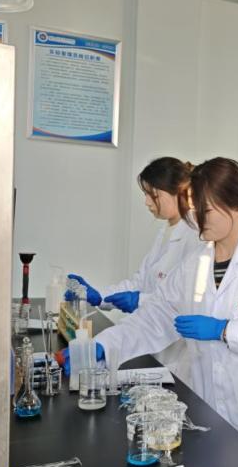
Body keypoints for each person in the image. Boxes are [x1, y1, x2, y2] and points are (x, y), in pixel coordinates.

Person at [71, 158, 238, 467]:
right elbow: (157, 314)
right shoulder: (196, 262)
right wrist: (104, 345)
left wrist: (224, 330)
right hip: (213, 409)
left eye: (206, 209)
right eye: (196, 208)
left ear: (236, 205)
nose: (198, 218)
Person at [64, 157, 202, 378]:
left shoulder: (196, 237)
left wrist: (140, 300)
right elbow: (140, 282)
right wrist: (100, 295)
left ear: (176, 191)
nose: (146, 202)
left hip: (177, 358)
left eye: (152, 194)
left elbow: (182, 302)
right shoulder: (166, 231)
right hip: (151, 348)